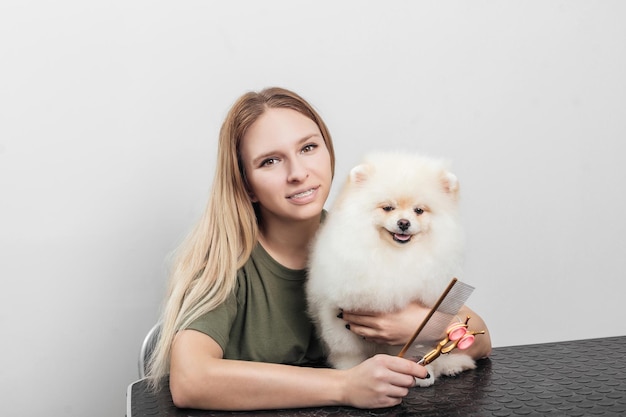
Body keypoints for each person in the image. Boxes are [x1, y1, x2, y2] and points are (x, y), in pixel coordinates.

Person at [146, 87, 492, 411]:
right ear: (247, 185)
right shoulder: (221, 261)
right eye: (270, 161)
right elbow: (190, 381)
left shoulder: (372, 236)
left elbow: (479, 337)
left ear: (329, 153)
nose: (298, 173)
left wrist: (421, 325)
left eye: (308, 148)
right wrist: (344, 386)